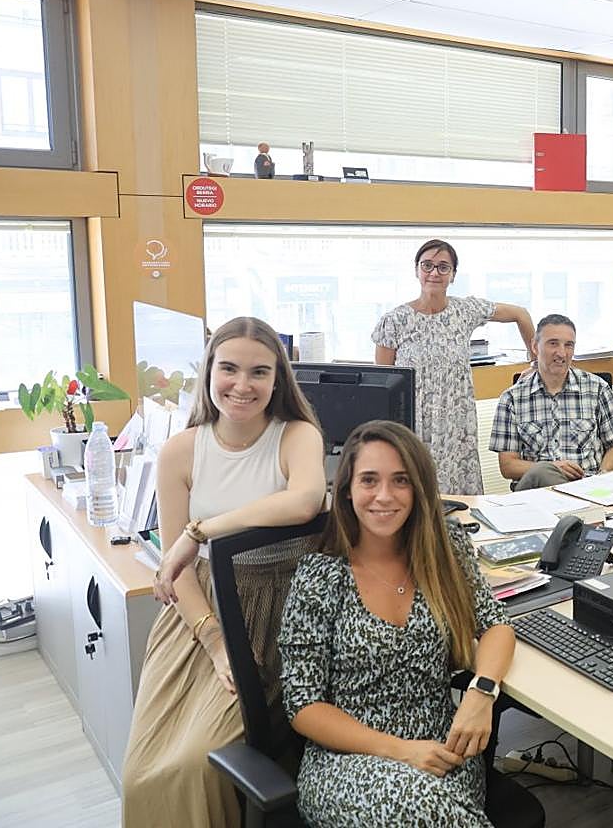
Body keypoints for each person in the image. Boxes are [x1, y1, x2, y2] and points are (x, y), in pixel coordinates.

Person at [123, 317, 327, 827]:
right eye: (229, 369)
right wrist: (214, 640)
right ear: (209, 371)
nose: (242, 385)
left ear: (278, 380)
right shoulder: (181, 450)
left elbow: (305, 500)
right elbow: (179, 572)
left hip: (277, 608)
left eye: (259, 372)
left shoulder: (296, 436)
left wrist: (201, 532)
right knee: (144, 773)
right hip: (201, 614)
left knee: (197, 764)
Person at [279, 420, 514, 827]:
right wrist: (401, 751)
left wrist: (481, 693)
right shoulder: (320, 577)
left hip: (444, 751)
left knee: (427, 805)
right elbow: (303, 705)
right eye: (369, 480)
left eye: (400, 480)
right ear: (347, 489)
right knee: (420, 804)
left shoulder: (445, 552)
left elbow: (496, 625)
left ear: (418, 488)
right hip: (347, 762)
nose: (384, 496)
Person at [372, 238, 535, 495]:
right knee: (415, 495)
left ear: (453, 274)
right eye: (427, 265)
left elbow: (520, 314)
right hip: (415, 425)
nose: (434, 272)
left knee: (460, 501)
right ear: (416, 270)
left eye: (443, 267)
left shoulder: (465, 310)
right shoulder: (394, 321)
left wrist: (535, 362)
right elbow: (383, 385)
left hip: (456, 426)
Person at [490, 313, 613, 490]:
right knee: (544, 473)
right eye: (553, 344)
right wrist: (552, 468)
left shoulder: (597, 388)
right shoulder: (511, 399)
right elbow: (508, 466)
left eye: (568, 345)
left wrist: (600, 479)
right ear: (535, 346)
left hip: (587, 487)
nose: (562, 353)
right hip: (535, 493)